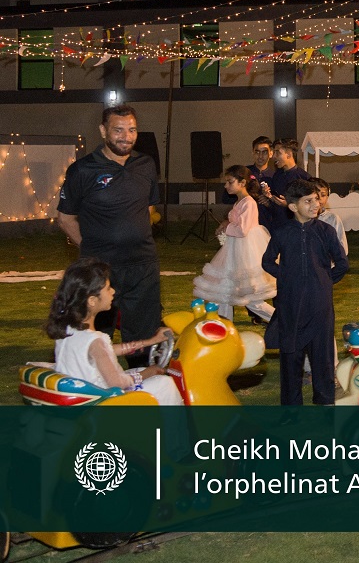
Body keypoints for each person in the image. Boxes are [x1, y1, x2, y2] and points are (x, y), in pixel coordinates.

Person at [56, 104, 162, 368]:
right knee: (95, 335)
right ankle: (96, 385)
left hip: (143, 266)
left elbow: (149, 209)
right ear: (103, 131)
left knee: (144, 335)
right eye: (118, 130)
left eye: (132, 130)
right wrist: (92, 249)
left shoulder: (146, 164)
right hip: (100, 269)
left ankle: (141, 383)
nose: (126, 136)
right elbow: (65, 218)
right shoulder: (82, 170)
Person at [45, 257, 182, 405]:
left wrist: (150, 341)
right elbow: (117, 383)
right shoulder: (95, 341)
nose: (113, 291)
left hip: (83, 395)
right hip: (102, 400)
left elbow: (105, 351)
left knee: (143, 371)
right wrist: (146, 373)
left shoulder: (69, 329)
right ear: (92, 301)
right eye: (108, 288)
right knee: (165, 384)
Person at [262, 179, 349, 405]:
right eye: (308, 201)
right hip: (291, 305)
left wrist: (323, 281)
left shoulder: (326, 231)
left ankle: (325, 400)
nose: (316, 204)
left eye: (317, 199)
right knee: (290, 356)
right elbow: (267, 261)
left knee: (323, 357)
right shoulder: (282, 233)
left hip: (320, 305)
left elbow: (342, 263)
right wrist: (286, 277)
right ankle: (292, 407)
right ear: (293, 206)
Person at [193, 165, 276, 322]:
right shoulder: (240, 202)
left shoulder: (248, 203)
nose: (226, 185)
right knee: (225, 292)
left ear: (242, 183)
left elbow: (243, 230)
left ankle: (283, 321)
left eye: (230, 182)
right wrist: (226, 226)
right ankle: (225, 326)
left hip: (244, 253)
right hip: (234, 251)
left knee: (251, 299)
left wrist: (227, 227)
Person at [258, 138, 310, 232]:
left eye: (277, 152)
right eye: (274, 152)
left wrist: (288, 204)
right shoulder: (277, 175)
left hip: (295, 229)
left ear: (289, 154)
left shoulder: (303, 177)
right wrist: (268, 200)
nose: (274, 156)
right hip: (277, 227)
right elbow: (274, 207)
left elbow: (309, 205)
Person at [222, 136, 274, 206]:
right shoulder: (243, 172)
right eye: (257, 152)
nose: (260, 156)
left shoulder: (275, 176)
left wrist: (269, 201)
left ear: (271, 154)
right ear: (252, 153)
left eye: (264, 152)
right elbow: (226, 199)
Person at [310, 177, 349, 256]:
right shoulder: (301, 218)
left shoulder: (333, 219)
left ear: (327, 197)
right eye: (316, 195)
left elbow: (342, 248)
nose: (319, 199)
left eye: (323, 195)